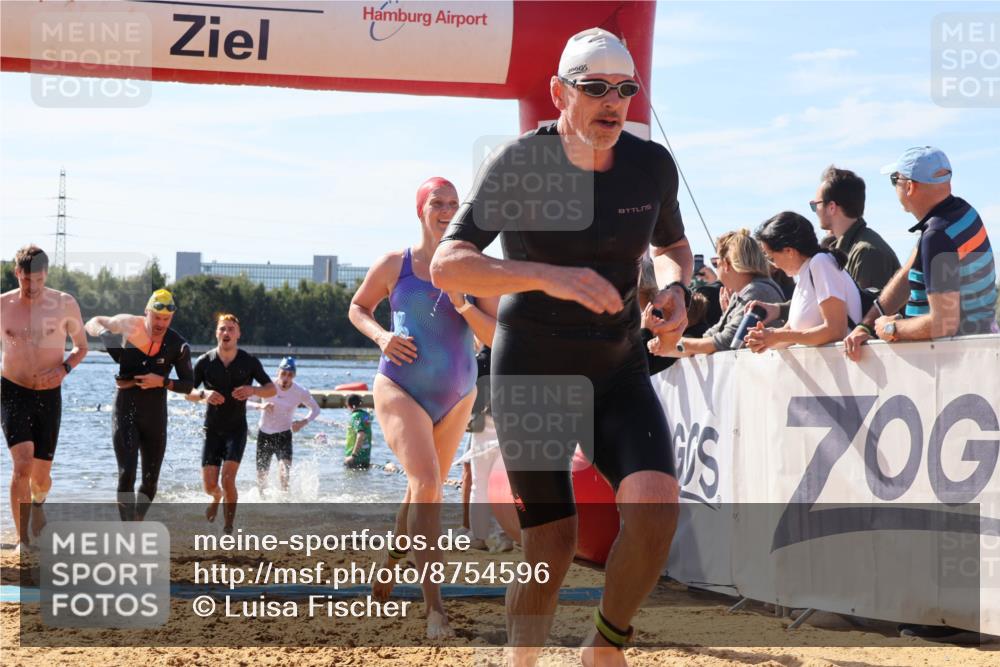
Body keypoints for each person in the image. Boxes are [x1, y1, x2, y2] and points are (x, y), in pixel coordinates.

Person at [431, 28, 690, 666]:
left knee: (656, 509)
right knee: (552, 541)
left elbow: (672, 246)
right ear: (559, 92)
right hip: (533, 369)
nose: (613, 101)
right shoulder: (522, 163)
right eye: (595, 87)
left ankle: (604, 646)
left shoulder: (650, 165)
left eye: (625, 89)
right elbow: (448, 263)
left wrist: (679, 289)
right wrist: (547, 275)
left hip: (618, 366)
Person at [349, 176, 499, 639]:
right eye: (437, 202)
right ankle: (436, 609)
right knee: (429, 483)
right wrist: (381, 336)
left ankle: (393, 561)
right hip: (399, 387)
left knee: (421, 490)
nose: (447, 209)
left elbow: (495, 337)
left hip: (458, 396)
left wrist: (464, 303)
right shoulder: (398, 263)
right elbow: (358, 307)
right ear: (420, 210)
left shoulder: (473, 269)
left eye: (454, 203)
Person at [844, 146, 996, 360]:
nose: (894, 186)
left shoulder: (938, 236)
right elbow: (907, 275)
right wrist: (866, 325)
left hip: (954, 365)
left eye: (894, 180)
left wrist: (892, 329)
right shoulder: (962, 213)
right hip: (975, 355)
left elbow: (943, 324)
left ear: (909, 187)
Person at [2, 245, 87, 549]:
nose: (32, 287)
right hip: (12, 391)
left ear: (45, 275)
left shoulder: (64, 304)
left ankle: (39, 504)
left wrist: (64, 370)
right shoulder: (3, 306)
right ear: (17, 274)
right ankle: (22, 542)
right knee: (21, 466)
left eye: (38, 280)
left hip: (49, 394)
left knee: (40, 478)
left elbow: (81, 347)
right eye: (26, 280)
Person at [85, 288, 194, 521]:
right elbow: (92, 322)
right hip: (125, 409)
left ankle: (137, 520)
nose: (161, 324)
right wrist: (105, 333)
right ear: (147, 312)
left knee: (150, 480)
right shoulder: (128, 325)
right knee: (127, 473)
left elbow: (187, 385)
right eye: (157, 318)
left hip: (155, 414)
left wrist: (162, 381)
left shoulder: (177, 344)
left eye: (166, 319)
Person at [187, 313, 275, 533]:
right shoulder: (204, 362)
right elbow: (186, 391)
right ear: (217, 333)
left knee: (228, 479)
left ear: (238, 334)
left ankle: (228, 526)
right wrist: (203, 394)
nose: (226, 333)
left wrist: (253, 390)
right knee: (210, 486)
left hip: (236, 429)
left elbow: (271, 389)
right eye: (222, 329)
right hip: (212, 430)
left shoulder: (249, 361)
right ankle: (215, 498)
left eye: (231, 329)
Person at [653, 229, 784, 357]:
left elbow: (727, 342)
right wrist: (673, 345)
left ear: (726, 264)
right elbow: (713, 334)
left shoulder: (757, 291)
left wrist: (675, 344)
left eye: (716, 263)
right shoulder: (746, 291)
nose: (717, 269)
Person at [744, 212, 863, 353]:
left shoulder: (820, 263)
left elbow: (836, 330)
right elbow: (791, 333)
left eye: (772, 258)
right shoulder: (805, 273)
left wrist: (778, 336)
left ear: (789, 251)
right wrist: (764, 339)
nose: (774, 265)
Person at [811, 165, 900, 289]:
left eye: (815, 205)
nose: (815, 210)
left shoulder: (866, 252)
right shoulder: (850, 248)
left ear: (831, 207)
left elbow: (865, 308)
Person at [249, 356, 320, 493]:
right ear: (278, 372)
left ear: (294, 375)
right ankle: (261, 503)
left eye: (290, 375)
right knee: (261, 477)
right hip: (264, 434)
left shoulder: (300, 392)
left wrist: (303, 422)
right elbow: (245, 402)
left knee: (284, 473)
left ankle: (285, 504)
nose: (286, 378)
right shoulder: (266, 386)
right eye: (283, 374)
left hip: (284, 435)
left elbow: (316, 409)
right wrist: (260, 406)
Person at [343, 393, 372, 470]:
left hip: (354, 459)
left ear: (350, 405)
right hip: (365, 458)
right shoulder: (366, 415)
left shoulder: (355, 416)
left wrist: (353, 455)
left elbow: (361, 434)